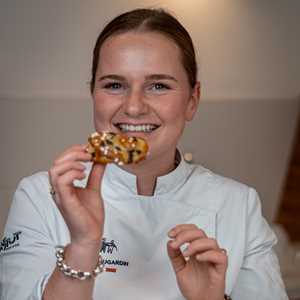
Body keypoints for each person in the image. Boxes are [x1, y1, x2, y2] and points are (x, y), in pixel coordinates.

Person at [0, 8, 288, 300]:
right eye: (114, 85)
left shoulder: (239, 205)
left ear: (192, 100)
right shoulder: (39, 196)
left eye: (158, 86)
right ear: (93, 95)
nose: (134, 107)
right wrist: (84, 245)